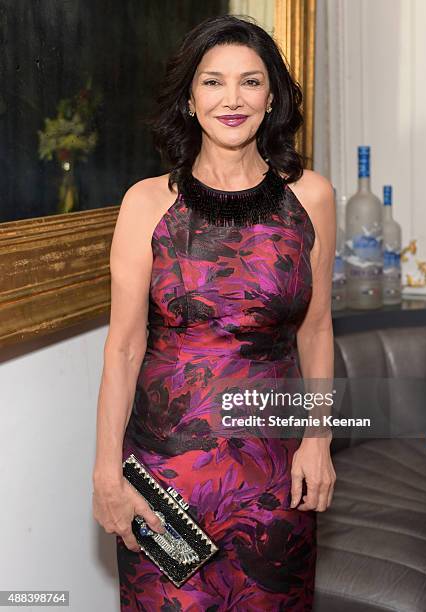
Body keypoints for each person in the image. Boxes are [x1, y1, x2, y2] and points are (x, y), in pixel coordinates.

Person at [92, 14, 336, 612]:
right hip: (164, 472)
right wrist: (105, 473)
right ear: (190, 97)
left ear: (271, 95)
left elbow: (317, 328)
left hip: (274, 474)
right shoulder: (147, 202)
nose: (232, 99)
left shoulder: (312, 198)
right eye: (213, 82)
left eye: (250, 82)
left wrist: (319, 440)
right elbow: (123, 348)